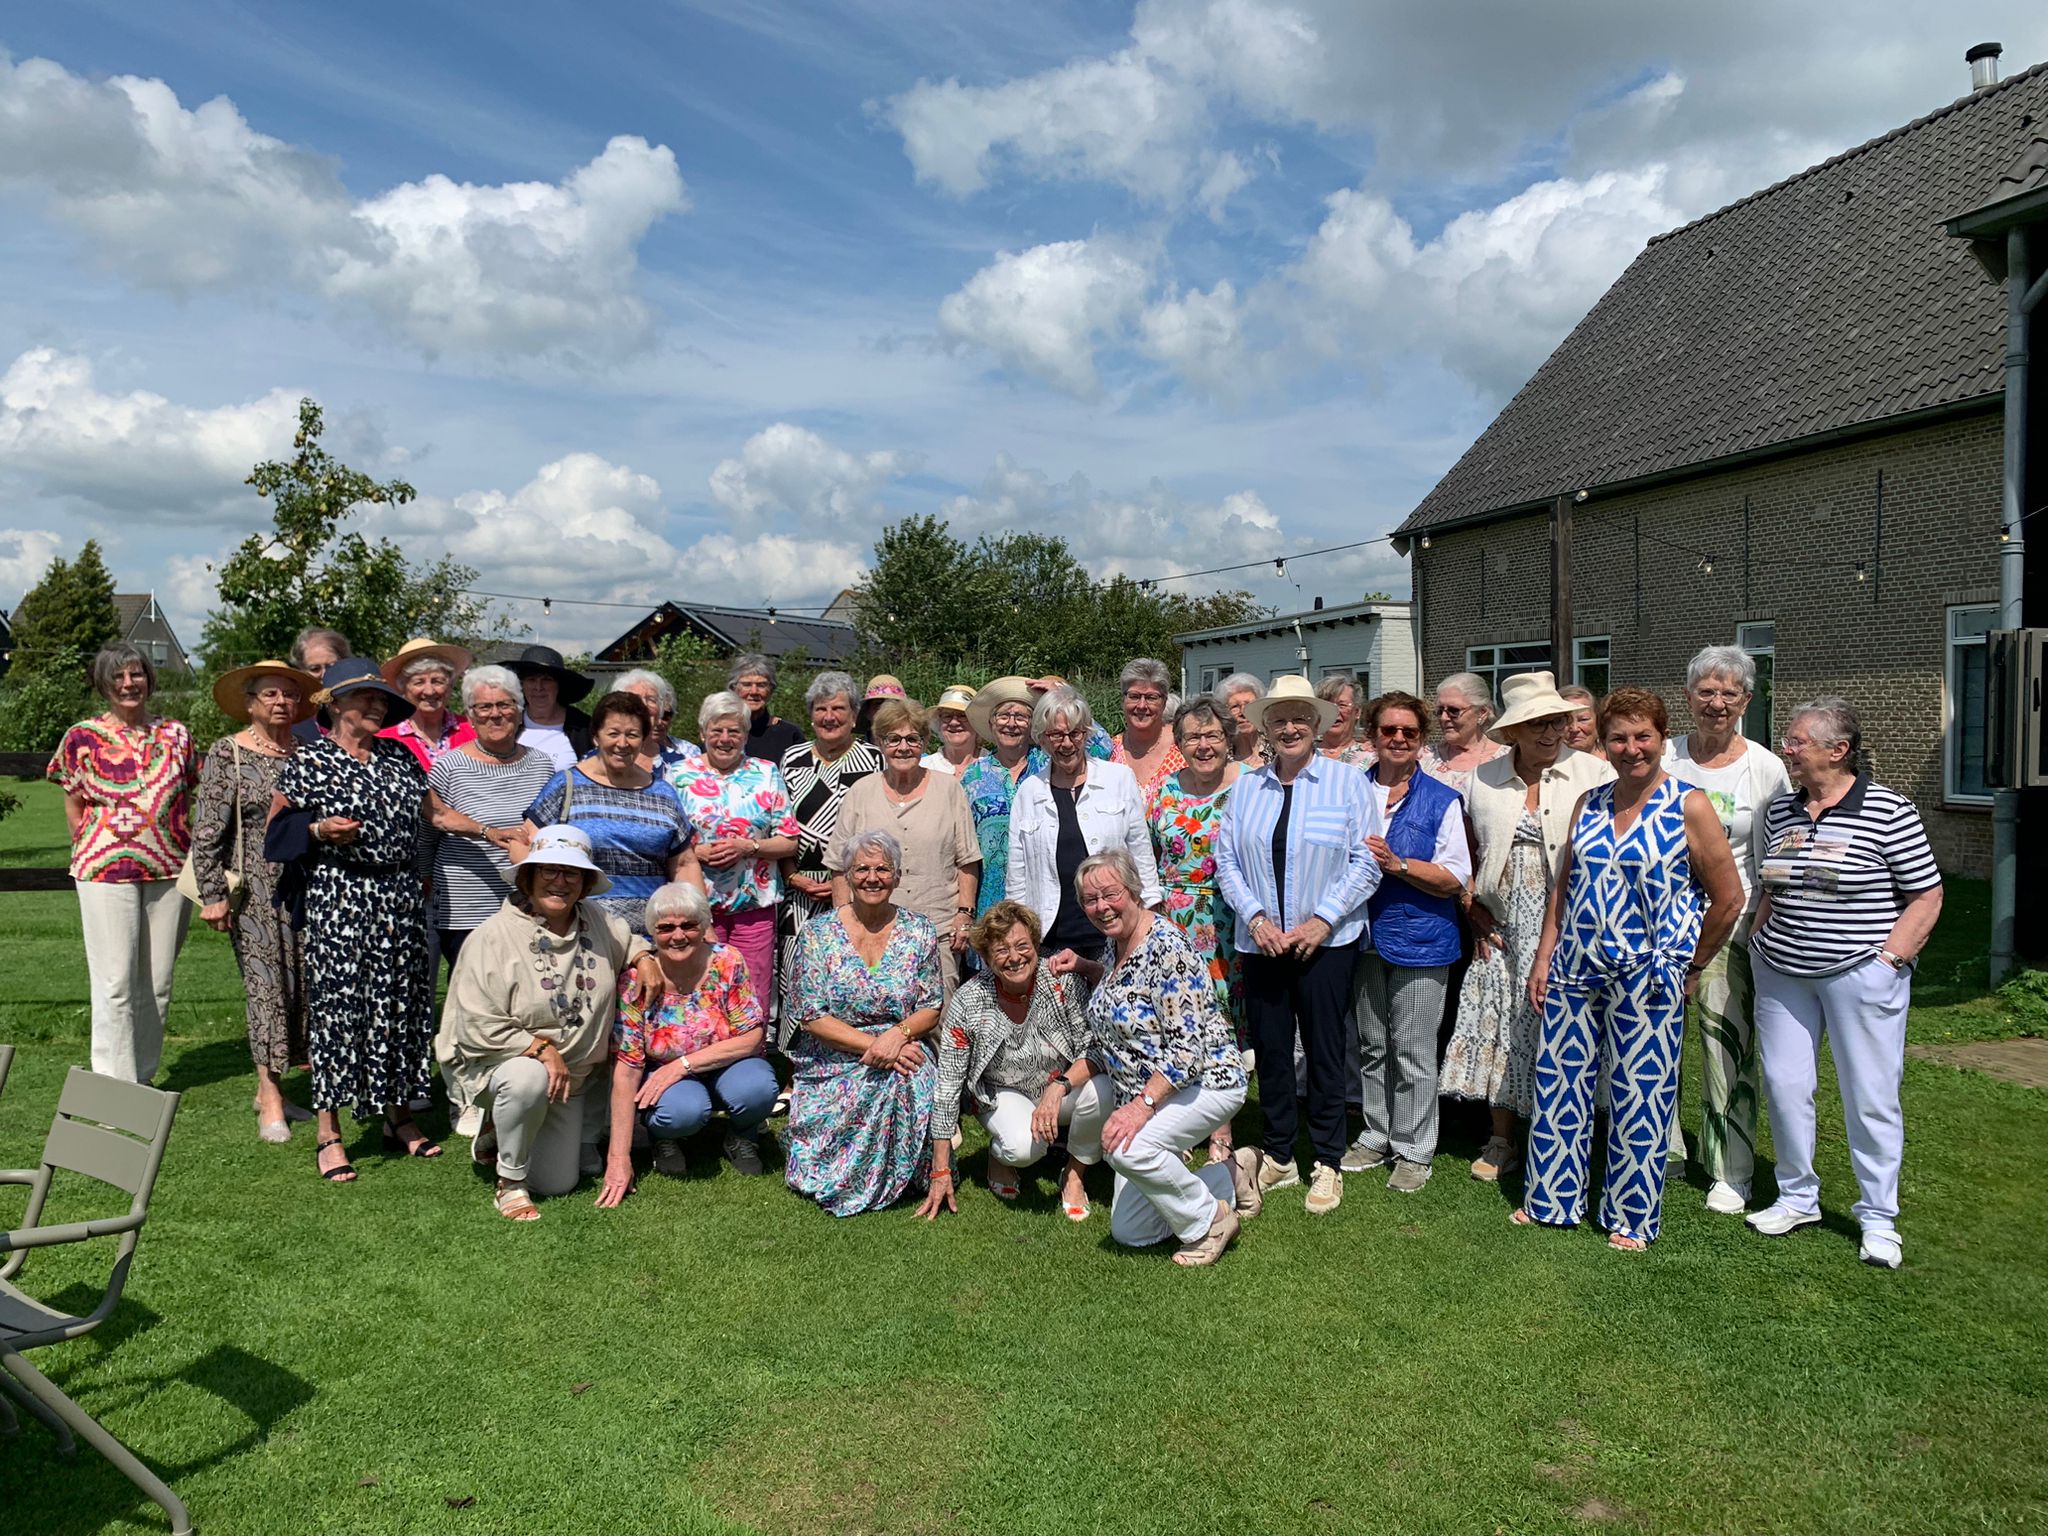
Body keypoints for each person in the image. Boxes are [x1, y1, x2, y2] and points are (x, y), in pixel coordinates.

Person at [1516, 688, 1743, 1250]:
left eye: (1643, 736)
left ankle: (1631, 1217)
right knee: (1560, 1085)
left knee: (1641, 1093)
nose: (1631, 748)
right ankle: (1551, 1199)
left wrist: (1691, 965)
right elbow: (1563, 888)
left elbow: (1729, 898)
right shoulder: (1587, 802)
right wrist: (1545, 956)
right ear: (1602, 742)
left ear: (1663, 739)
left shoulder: (1690, 805)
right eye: (1618, 737)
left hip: (1650, 971)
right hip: (1575, 965)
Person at [1745, 699, 1943, 1270]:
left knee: (1870, 1097)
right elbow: (1769, 887)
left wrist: (1891, 961)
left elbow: (1926, 895)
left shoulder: (1888, 810)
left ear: (1839, 750)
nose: (1788, 749)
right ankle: (1796, 1196)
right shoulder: (1780, 810)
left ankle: (1878, 1218)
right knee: (1784, 1087)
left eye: (1798, 742)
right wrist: (1760, 944)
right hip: (1782, 972)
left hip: (1861, 973)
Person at [1214, 675, 1380, 1216]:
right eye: (1279, 720)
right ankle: (1281, 1151)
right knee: (1272, 1051)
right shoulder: (1246, 788)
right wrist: (1257, 917)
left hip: (1324, 944)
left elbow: (1366, 861)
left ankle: (1328, 1159)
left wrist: (1323, 921)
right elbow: (1227, 863)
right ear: (1264, 728)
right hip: (1261, 942)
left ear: (1318, 725)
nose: (1290, 729)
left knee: (1327, 1050)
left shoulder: (1347, 784)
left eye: (1300, 719)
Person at [269, 658, 437, 1182]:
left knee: (401, 1004)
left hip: (400, 897)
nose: (375, 706)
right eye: (365, 698)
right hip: (340, 896)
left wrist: (494, 832)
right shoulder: (309, 762)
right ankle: (329, 1133)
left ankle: (398, 1116)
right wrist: (318, 831)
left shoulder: (399, 756)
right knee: (341, 1009)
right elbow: (276, 835)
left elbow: (435, 815)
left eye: (382, 700)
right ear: (334, 704)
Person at [1442, 672, 1613, 1181]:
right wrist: (1471, 906)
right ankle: (1501, 1139)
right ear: (1513, 729)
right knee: (1500, 1022)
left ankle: (1563, 1135)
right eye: (1536, 723)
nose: (1548, 732)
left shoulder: (1593, 773)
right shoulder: (1485, 779)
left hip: (1572, 921)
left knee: (1563, 1024)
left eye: (1556, 722)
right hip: (1502, 926)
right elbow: (1464, 853)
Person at [1041, 851, 1252, 1265]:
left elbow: (1187, 1052)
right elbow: (1120, 1012)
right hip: (1159, 1091)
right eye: (1090, 900)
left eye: (1110, 894)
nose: (1102, 907)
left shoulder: (1168, 948)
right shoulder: (1114, 944)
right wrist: (1062, 1083)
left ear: (1134, 890)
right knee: (1131, 1231)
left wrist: (1141, 1107)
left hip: (1205, 1082)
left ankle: (1211, 1221)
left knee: (1126, 1148)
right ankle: (1231, 1175)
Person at [436, 826, 647, 1220]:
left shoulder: (595, 920)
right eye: (548, 870)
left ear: (584, 884)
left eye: (571, 873)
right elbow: (477, 1024)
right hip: (503, 1063)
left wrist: (644, 958)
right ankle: (510, 1182)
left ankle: (503, 1129)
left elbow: (628, 939)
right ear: (527, 877)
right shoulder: (492, 937)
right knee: (526, 1079)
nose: (559, 881)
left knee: (557, 1183)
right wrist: (541, 1049)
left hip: (574, 1079)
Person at [1662, 645, 1793, 1213]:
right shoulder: (1664, 756)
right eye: (1706, 692)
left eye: (1729, 693)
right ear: (1688, 697)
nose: (1716, 703)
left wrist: (1764, 918)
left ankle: (1730, 1169)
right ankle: (1658, 1149)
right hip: (1658, 923)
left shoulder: (1763, 767)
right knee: (1656, 1042)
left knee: (1725, 1045)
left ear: (1746, 699)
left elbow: (1778, 852)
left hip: (1729, 923)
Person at [1340, 691, 1471, 1191]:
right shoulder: (1352, 790)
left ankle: (1414, 1148)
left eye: (1409, 733)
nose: (1398, 739)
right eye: (1388, 730)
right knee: (1373, 1045)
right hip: (1360, 934)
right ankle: (1376, 1134)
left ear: (1421, 740)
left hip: (1421, 938)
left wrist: (1396, 864)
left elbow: (1455, 876)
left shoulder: (1441, 800)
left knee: (1413, 1048)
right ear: (1372, 735)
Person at [49, 644, 197, 1085]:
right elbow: (73, 802)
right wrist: (98, 845)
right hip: (104, 873)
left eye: (136, 675)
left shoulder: (176, 734)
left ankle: (143, 1080)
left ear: (150, 680)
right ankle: (115, 1087)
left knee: (157, 985)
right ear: (104, 684)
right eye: (119, 677)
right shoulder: (82, 736)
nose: (129, 684)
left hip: (170, 871)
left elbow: (187, 796)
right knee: (115, 985)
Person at [190, 659, 319, 1139]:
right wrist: (213, 895)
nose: (281, 702)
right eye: (270, 694)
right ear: (250, 703)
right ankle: (268, 1094)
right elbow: (207, 831)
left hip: (305, 886)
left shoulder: (309, 751)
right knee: (265, 989)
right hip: (254, 891)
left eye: (289, 694)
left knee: (303, 989)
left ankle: (284, 1087)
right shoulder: (230, 754)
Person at [784, 830, 942, 1216]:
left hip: (900, 1042)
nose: (873, 878)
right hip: (833, 1053)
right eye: (862, 869)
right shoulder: (818, 934)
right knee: (879, 1080)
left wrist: (897, 1035)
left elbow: (931, 1006)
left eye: (883, 869)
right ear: (848, 876)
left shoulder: (920, 930)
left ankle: (912, 1174)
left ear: (897, 877)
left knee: (917, 1076)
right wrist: (877, 1047)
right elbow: (811, 1015)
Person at [599, 881, 778, 1196]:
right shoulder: (633, 983)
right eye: (666, 927)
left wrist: (683, 1064)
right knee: (683, 1112)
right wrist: (618, 1159)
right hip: (664, 1076)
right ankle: (662, 1138)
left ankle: (742, 1135)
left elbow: (752, 1036)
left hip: (724, 1065)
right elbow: (627, 1071)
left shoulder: (727, 961)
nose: (678, 935)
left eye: (688, 925)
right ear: (652, 932)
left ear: (705, 925)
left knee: (759, 1088)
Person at [919, 900, 1093, 1218]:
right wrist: (940, 1168)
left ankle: (1074, 1173)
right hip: (1002, 1092)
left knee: (1102, 1093)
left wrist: (1060, 1088)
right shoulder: (969, 1000)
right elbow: (948, 1082)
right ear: (985, 958)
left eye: (1022, 945)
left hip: (1060, 1089)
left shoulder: (1063, 982)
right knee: (1024, 1147)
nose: (1014, 957)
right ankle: (1000, 1156)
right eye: (1000, 951)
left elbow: (1091, 1050)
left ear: (1036, 944)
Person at [1146, 698, 1244, 1161]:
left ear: (1228, 739)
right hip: (1172, 920)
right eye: (1192, 737)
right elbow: (1144, 856)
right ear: (1179, 743)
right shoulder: (1162, 790)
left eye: (1212, 736)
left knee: (1222, 1020)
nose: (1203, 746)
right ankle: (1177, 1118)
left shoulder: (1249, 786)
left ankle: (1221, 1127)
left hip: (1231, 917)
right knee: (1174, 1016)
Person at [828, 699, 981, 994]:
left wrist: (964, 914)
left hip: (936, 929)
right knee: (876, 1020)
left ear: (924, 742)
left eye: (913, 739)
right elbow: (838, 864)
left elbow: (967, 860)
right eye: (893, 739)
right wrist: (844, 922)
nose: (903, 747)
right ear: (881, 743)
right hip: (870, 931)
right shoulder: (861, 792)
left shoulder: (949, 789)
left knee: (938, 1021)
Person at [522, 691, 702, 933]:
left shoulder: (663, 794)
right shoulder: (566, 786)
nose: (622, 743)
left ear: (644, 739)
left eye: (632, 735)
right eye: (613, 733)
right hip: (580, 931)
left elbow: (684, 865)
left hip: (654, 934)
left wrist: (702, 921)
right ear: (596, 736)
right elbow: (526, 846)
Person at [1009, 685, 1162, 966]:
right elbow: (1018, 872)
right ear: (1043, 739)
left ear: (1086, 734)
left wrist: (1150, 910)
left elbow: (1140, 850)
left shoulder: (1119, 779)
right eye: (1056, 734)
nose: (1066, 743)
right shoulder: (1029, 791)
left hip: (1113, 930)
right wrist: (1018, 928)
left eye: (1074, 733)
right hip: (1051, 935)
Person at [669, 690, 801, 997]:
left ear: (745, 735)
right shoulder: (678, 775)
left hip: (753, 907)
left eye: (734, 731)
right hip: (693, 910)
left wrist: (749, 847)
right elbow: (665, 842)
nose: (725, 739)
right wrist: (694, 853)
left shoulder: (766, 773)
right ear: (702, 733)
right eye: (716, 731)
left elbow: (789, 841)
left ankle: (750, 1048)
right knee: (699, 994)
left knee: (751, 995)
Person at [777, 672, 884, 1024]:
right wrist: (793, 878)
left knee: (851, 974)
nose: (829, 716)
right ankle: (797, 1067)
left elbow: (879, 827)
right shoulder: (791, 760)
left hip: (859, 889)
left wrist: (850, 881)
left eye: (838, 708)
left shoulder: (874, 759)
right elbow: (778, 822)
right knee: (799, 975)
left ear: (854, 715)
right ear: (810, 714)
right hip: (799, 891)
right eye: (821, 708)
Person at [959, 677, 1038, 921]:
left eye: (1021, 717)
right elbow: (962, 845)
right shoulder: (974, 775)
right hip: (989, 902)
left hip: (1042, 896)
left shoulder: (1048, 763)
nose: (1011, 724)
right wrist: (964, 908)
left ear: (1032, 724)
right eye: (1004, 716)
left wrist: (1062, 694)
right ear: (992, 723)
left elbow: (1100, 747)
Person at [376, 637, 475, 771]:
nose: (429, 691)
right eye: (419, 682)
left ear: (450, 685)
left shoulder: (473, 731)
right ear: (403, 687)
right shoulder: (383, 738)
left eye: (437, 681)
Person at [509, 645, 595, 772]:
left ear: (558, 686)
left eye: (546, 680)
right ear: (522, 685)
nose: (538, 687)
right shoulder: (508, 722)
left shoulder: (583, 728)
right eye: (531, 680)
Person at [1420, 671, 1507, 796]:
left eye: (1454, 710)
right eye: (1440, 711)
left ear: (1482, 712)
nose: (1444, 718)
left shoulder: (1506, 760)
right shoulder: (1425, 758)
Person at [1110, 658, 1184, 794]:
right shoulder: (1108, 751)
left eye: (1151, 697)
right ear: (1123, 700)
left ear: (1164, 702)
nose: (1142, 705)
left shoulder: (1183, 746)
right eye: (1134, 696)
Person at [615, 668, 699, 775]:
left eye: (651, 699)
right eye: (635, 699)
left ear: (660, 709)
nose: (644, 705)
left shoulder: (681, 763)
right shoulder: (599, 759)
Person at [729, 653, 804, 766]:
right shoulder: (720, 732)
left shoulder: (788, 735)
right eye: (747, 684)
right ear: (734, 688)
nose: (754, 691)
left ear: (771, 690)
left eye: (761, 685)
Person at [289, 626, 350, 744]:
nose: (325, 674)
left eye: (332, 666)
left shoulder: (361, 710)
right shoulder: (290, 717)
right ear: (301, 671)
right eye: (315, 669)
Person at [1318, 672, 1375, 769]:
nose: (1335, 712)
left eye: (1342, 705)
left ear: (1357, 712)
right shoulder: (1305, 754)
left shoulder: (1372, 757)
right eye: (1328, 705)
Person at [922, 683, 980, 775]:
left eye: (962, 715)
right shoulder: (922, 767)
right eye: (947, 716)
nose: (954, 722)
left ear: (976, 722)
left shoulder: (995, 767)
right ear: (939, 722)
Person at [1215, 672, 1267, 769]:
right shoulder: (1220, 755)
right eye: (1235, 706)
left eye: (1249, 705)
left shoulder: (1277, 748)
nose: (1243, 712)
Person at [858, 673, 909, 743]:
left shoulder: (915, 751)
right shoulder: (853, 752)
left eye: (893, 704)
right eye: (878, 704)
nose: (885, 710)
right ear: (867, 712)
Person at [1560, 684, 1599, 754]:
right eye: (1566, 721)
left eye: (1584, 719)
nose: (1575, 729)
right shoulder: (1544, 764)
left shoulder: (1616, 762)